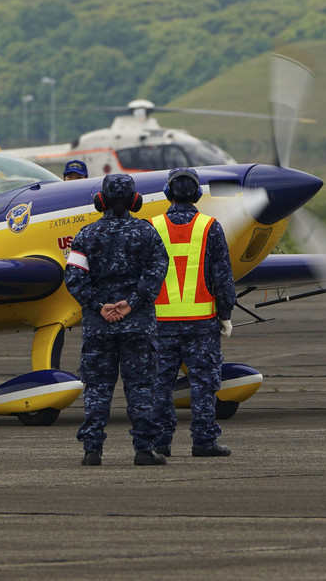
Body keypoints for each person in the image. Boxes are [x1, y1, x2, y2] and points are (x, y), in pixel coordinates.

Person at [64, 174, 169, 466]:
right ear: (136, 201)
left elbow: (73, 278)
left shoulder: (85, 235)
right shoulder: (147, 233)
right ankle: (144, 450)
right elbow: (157, 271)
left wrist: (100, 306)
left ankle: (92, 450)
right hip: (138, 325)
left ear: (101, 201)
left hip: (99, 327)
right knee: (141, 388)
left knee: (97, 388)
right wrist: (131, 304)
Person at [149, 168, 236, 457]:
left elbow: (142, 277)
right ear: (198, 194)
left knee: (159, 384)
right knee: (203, 384)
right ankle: (203, 441)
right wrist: (225, 314)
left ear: (167, 193)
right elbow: (222, 277)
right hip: (202, 324)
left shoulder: (153, 226)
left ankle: (160, 442)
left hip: (160, 324)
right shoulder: (210, 227)